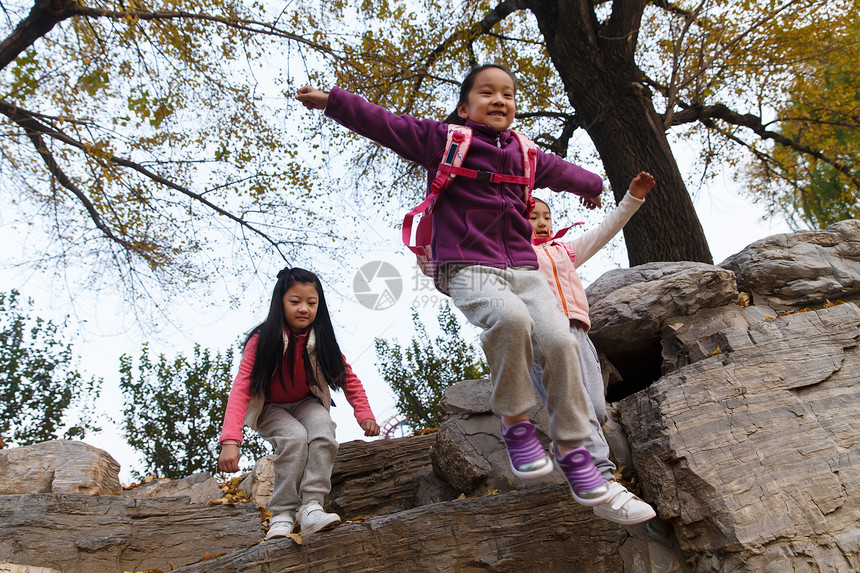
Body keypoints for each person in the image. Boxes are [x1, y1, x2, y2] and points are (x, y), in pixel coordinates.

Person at [297, 64, 614, 508]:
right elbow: (386, 123)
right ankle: (516, 424)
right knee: (509, 319)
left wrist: (593, 185)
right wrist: (333, 102)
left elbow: (561, 170)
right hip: (467, 265)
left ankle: (574, 448)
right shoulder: (444, 140)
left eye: (508, 93)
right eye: (487, 93)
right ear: (465, 107)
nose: (499, 100)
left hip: (523, 268)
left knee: (560, 340)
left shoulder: (526, 153)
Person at [529, 171, 658, 525]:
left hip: (578, 332)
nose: (540, 223)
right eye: (531, 216)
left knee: (596, 411)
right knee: (579, 408)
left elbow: (605, 231)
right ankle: (599, 482)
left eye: (546, 218)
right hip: (542, 334)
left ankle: (570, 454)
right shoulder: (512, 255)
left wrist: (632, 198)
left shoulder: (564, 251)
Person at [218, 267, 380, 540]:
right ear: (280, 302)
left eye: (311, 302)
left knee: (322, 429)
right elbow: (242, 388)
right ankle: (282, 513)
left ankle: (312, 507)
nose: (303, 308)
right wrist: (230, 440)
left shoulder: (322, 340)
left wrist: (364, 414)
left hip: (306, 402)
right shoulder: (262, 340)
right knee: (294, 438)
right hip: (270, 407)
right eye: (295, 301)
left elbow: (348, 379)